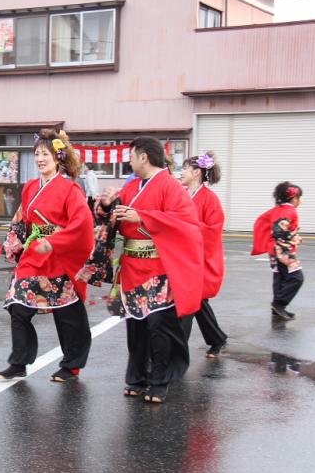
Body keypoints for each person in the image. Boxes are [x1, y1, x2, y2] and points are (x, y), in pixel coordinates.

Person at [81, 136, 203, 403]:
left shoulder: (171, 186)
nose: (129, 160)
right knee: (136, 327)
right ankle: (137, 378)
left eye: (131, 155)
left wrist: (144, 217)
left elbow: (187, 224)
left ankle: (159, 381)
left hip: (159, 267)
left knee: (159, 326)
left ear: (144, 156)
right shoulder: (133, 185)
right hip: (132, 266)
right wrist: (106, 205)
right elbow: (111, 217)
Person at [0, 129, 95, 382]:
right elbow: (21, 218)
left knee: (68, 314)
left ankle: (72, 364)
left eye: (46, 154)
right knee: (17, 305)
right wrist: (14, 240)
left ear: (58, 158)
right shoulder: (30, 187)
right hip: (34, 255)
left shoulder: (70, 189)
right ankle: (19, 361)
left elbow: (82, 224)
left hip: (59, 255)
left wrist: (53, 242)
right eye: (37, 154)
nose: (40, 159)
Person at [179, 152, 229, 358]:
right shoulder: (182, 194)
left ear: (197, 172)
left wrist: (186, 225)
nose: (181, 173)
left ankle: (177, 350)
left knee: (189, 303)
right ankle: (217, 339)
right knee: (197, 302)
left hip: (200, 260)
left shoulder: (210, 199)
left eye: (185, 169)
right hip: (184, 258)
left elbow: (213, 231)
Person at [251, 182, 303, 320]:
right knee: (296, 278)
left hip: (274, 249)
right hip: (282, 250)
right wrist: (293, 239)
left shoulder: (278, 209)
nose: (301, 201)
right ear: (293, 198)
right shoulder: (288, 210)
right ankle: (279, 304)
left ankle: (278, 309)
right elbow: (279, 231)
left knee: (280, 277)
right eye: (299, 197)